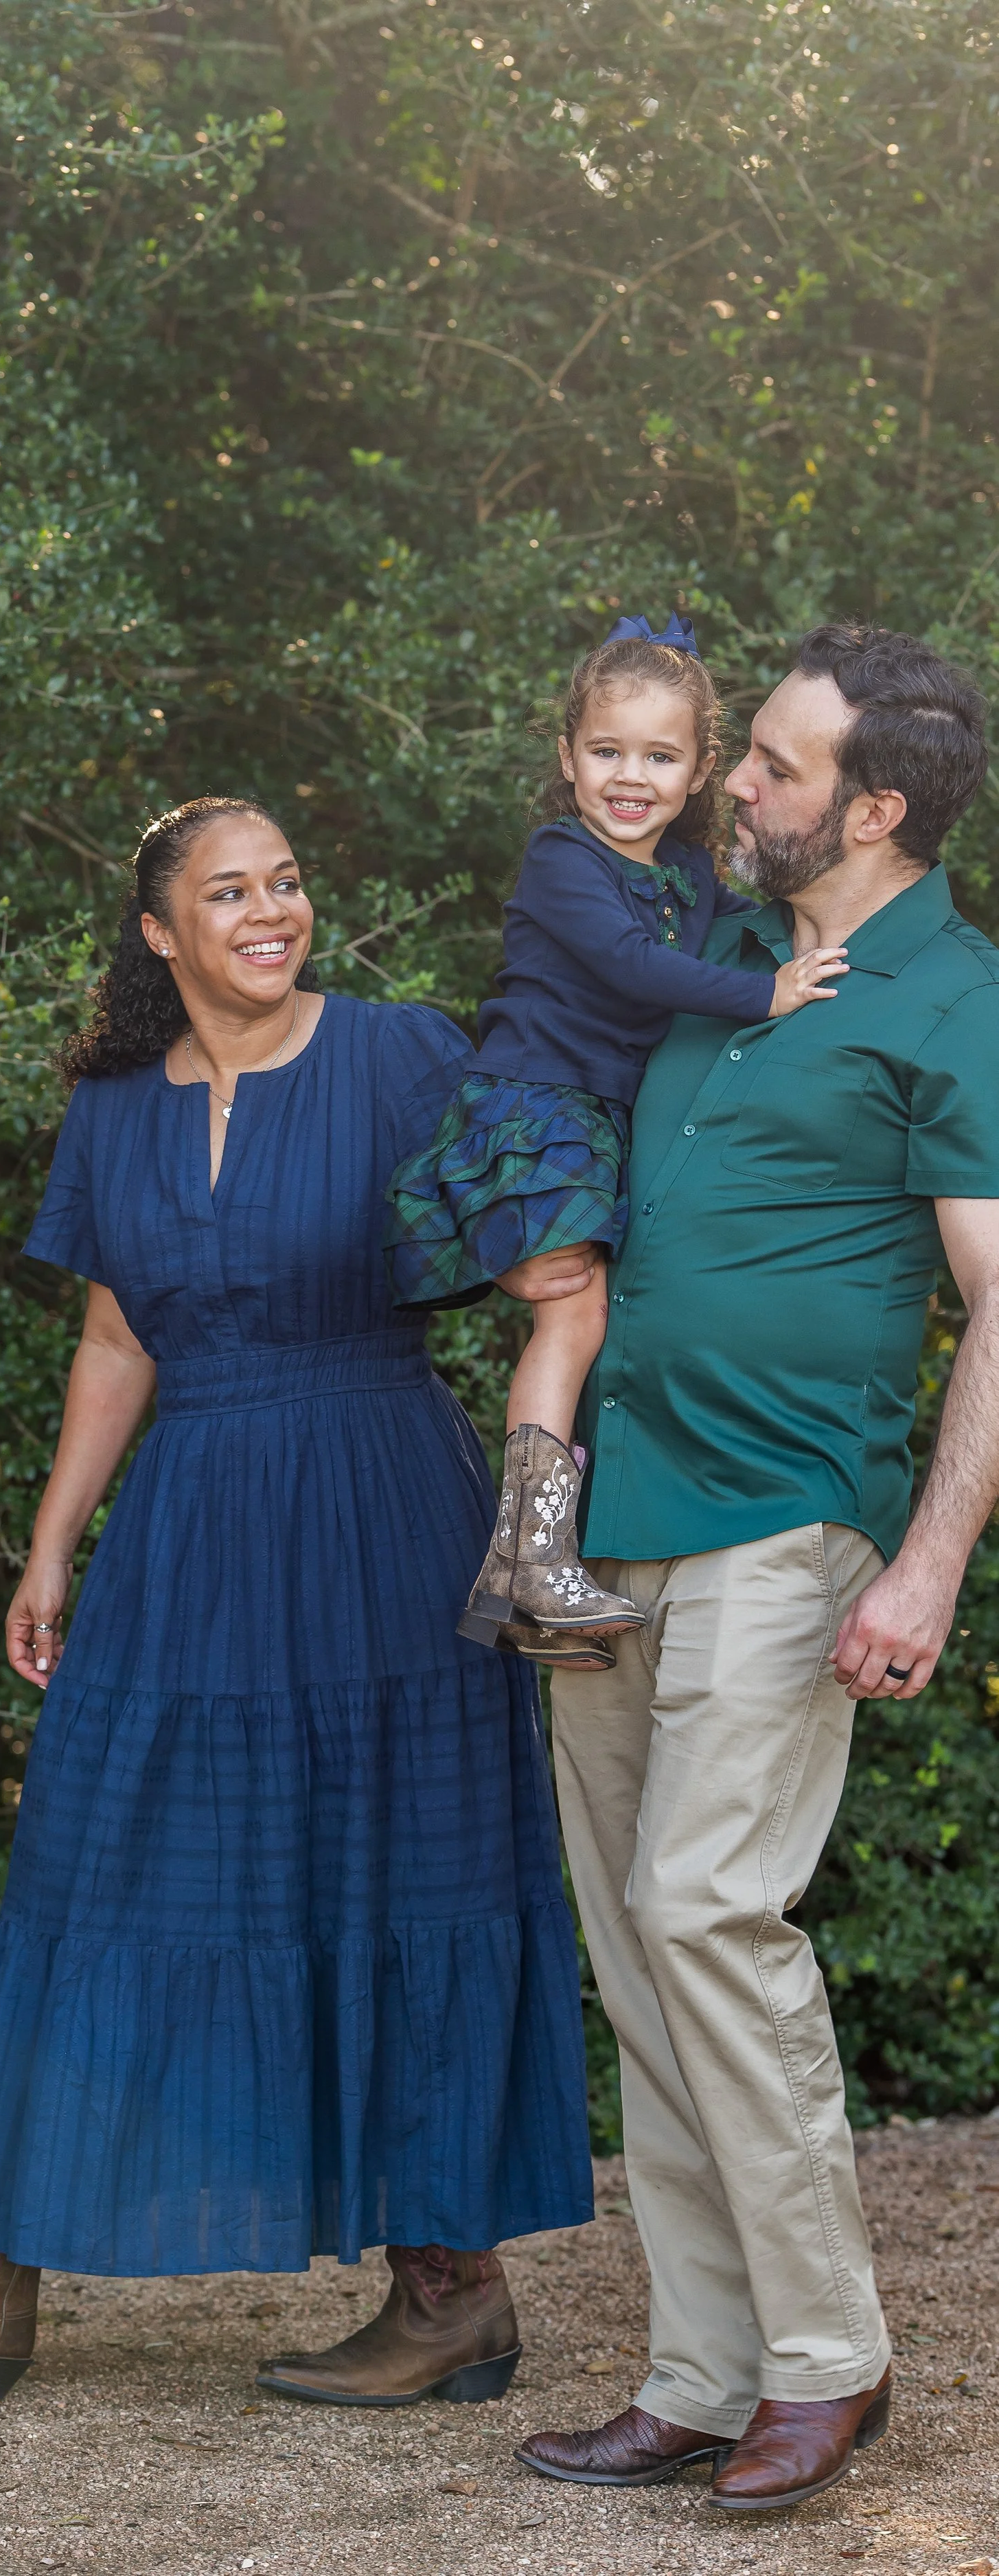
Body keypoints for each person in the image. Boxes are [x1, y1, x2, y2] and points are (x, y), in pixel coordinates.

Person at [0, 796, 594, 2405]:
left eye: (288, 881)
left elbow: (552, 1267)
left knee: (392, 1875)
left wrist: (537, 1482)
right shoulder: (112, 1109)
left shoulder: (399, 1055)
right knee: (90, 1866)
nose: (270, 910)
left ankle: (448, 2294)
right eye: (228, 892)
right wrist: (48, 1542)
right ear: (159, 933)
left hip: (381, 1509)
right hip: (187, 1527)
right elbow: (114, 1335)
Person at [515, 626, 999, 2513]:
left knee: (711, 1908)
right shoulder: (714, 969)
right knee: (641, 1948)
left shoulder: (953, 993)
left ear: (870, 807)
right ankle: (702, 2366)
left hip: (790, 1515)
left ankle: (826, 2360)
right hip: (616, 1513)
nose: (733, 782)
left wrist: (929, 1560)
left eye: (775, 766)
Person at [387, 614, 846, 1656]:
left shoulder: (688, 870)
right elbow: (637, 969)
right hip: (536, 1103)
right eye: (606, 751)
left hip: (602, 1120)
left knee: (588, 1318)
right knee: (573, 1317)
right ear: (568, 758)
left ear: (698, 771)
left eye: (659, 755)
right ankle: (532, 1558)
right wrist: (764, 994)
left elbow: (740, 915)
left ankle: (525, 1570)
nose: (629, 776)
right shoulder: (563, 857)